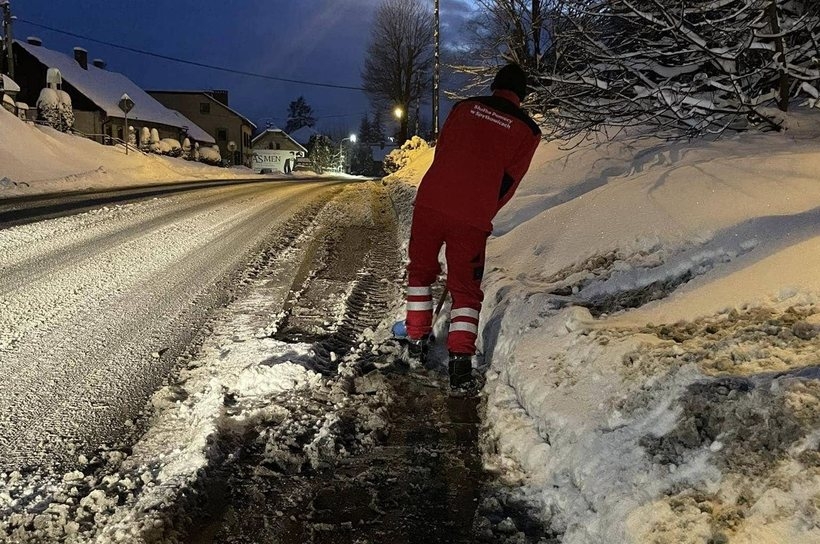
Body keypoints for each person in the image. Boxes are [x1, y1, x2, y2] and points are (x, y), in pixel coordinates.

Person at [402, 63, 542, 390]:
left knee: (420, 272)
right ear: (522, 94)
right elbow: (509, 182)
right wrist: (481, 209)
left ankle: (415, 342)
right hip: (471, 216)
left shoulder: (464, 108)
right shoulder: (528, 130)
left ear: (495, 85)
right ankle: (460, 368)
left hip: (430, 201)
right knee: (465, 290)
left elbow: (444, 151)